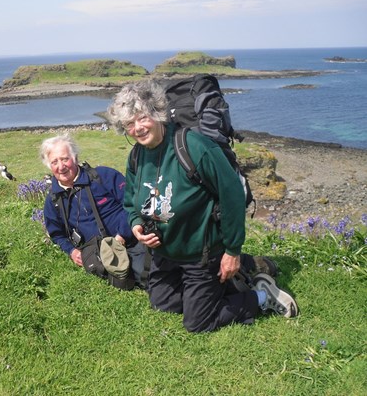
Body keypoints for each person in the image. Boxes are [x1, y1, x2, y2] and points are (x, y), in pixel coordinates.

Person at [106, 79, 298, 332]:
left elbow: (232, 196)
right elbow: (131, 199)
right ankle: (228, 284)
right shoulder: (137, 156)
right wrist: (137, 223)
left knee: (198, 323)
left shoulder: (193, 147)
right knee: (163, 304)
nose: (137, 128)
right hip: (166, 253)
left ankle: (261, 296)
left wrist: (232, 251)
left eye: (142, 118)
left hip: (202, 254)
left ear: (157, 113)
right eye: (129, 124)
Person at [41, 133, 146, 289]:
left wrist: (121, 236)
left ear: (75, 157)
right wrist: (71, 251)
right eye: (54, 162)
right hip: (97, 254)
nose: (61, 166)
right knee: (123, 281)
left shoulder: (103, 175)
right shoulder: (53, 200)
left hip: (131, 240)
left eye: (65, 159)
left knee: (148, 275)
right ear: (49, 166)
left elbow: (132, 202)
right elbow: (57, 234)